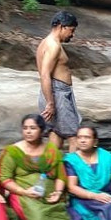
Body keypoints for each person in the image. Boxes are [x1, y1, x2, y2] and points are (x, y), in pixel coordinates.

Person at [0, 113, 71, 220]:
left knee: (59, 212)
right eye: (25, 128)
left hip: (50, 195)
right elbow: (5, 179)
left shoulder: (51, 150)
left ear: (42, 130)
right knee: (36, 211)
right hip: (24, 195)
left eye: (33, 128)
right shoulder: (13, 151)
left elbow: (61, 176)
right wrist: (24, 191)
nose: (28, 132)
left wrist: (58, 192)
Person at [37, 10, 81, 151]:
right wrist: (50, 103)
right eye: (71, 30)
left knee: (56, 133)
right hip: (58, 94)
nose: (72, 35)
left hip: (53, 93)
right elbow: (45, 74)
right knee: (74, 136)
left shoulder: (44, 42)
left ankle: (47, 172)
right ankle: (73, 172)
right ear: (61, 26)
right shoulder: (53, 46)